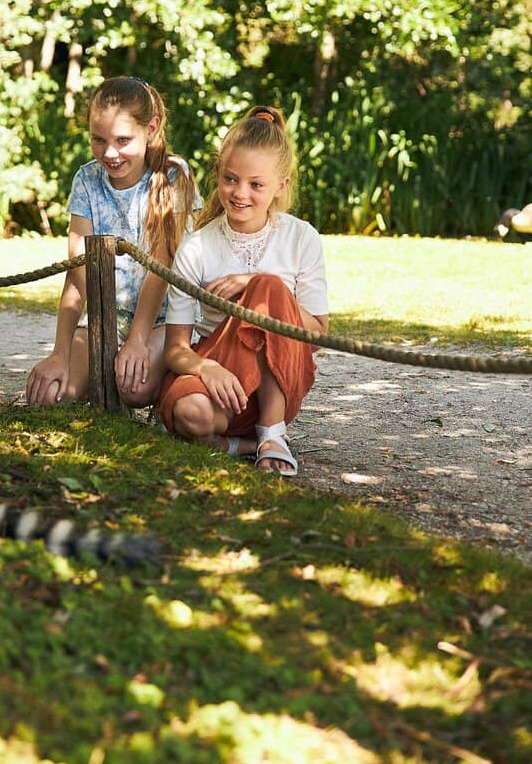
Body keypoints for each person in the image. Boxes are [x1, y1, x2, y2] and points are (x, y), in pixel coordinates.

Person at [158, 105, 329, 476]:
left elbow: (316, 333)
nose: (240, 194)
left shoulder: (301, 238)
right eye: (231, 179)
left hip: (277, 384)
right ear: (218, 171)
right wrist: (206, 368)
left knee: (268, 285)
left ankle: (271, 432)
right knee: (190, 413)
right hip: (222, 380)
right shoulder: (197, 247)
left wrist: (256, 285)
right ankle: (242, 445)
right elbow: (175, 349)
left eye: (256, 184)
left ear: (281, 185)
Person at [25, 76, 198, 409]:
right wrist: (60, 353)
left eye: (122, 140)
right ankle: (100, 373)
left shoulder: (175, 174)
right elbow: (77, 275)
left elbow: (160, 268)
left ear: (151, 128)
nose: (110, 152)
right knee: (48, 396)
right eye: (98, 140)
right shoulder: (87, 180)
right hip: (105, 320)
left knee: (134, 389)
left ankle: (165, 383)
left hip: (164, 321)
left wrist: (137, 340)